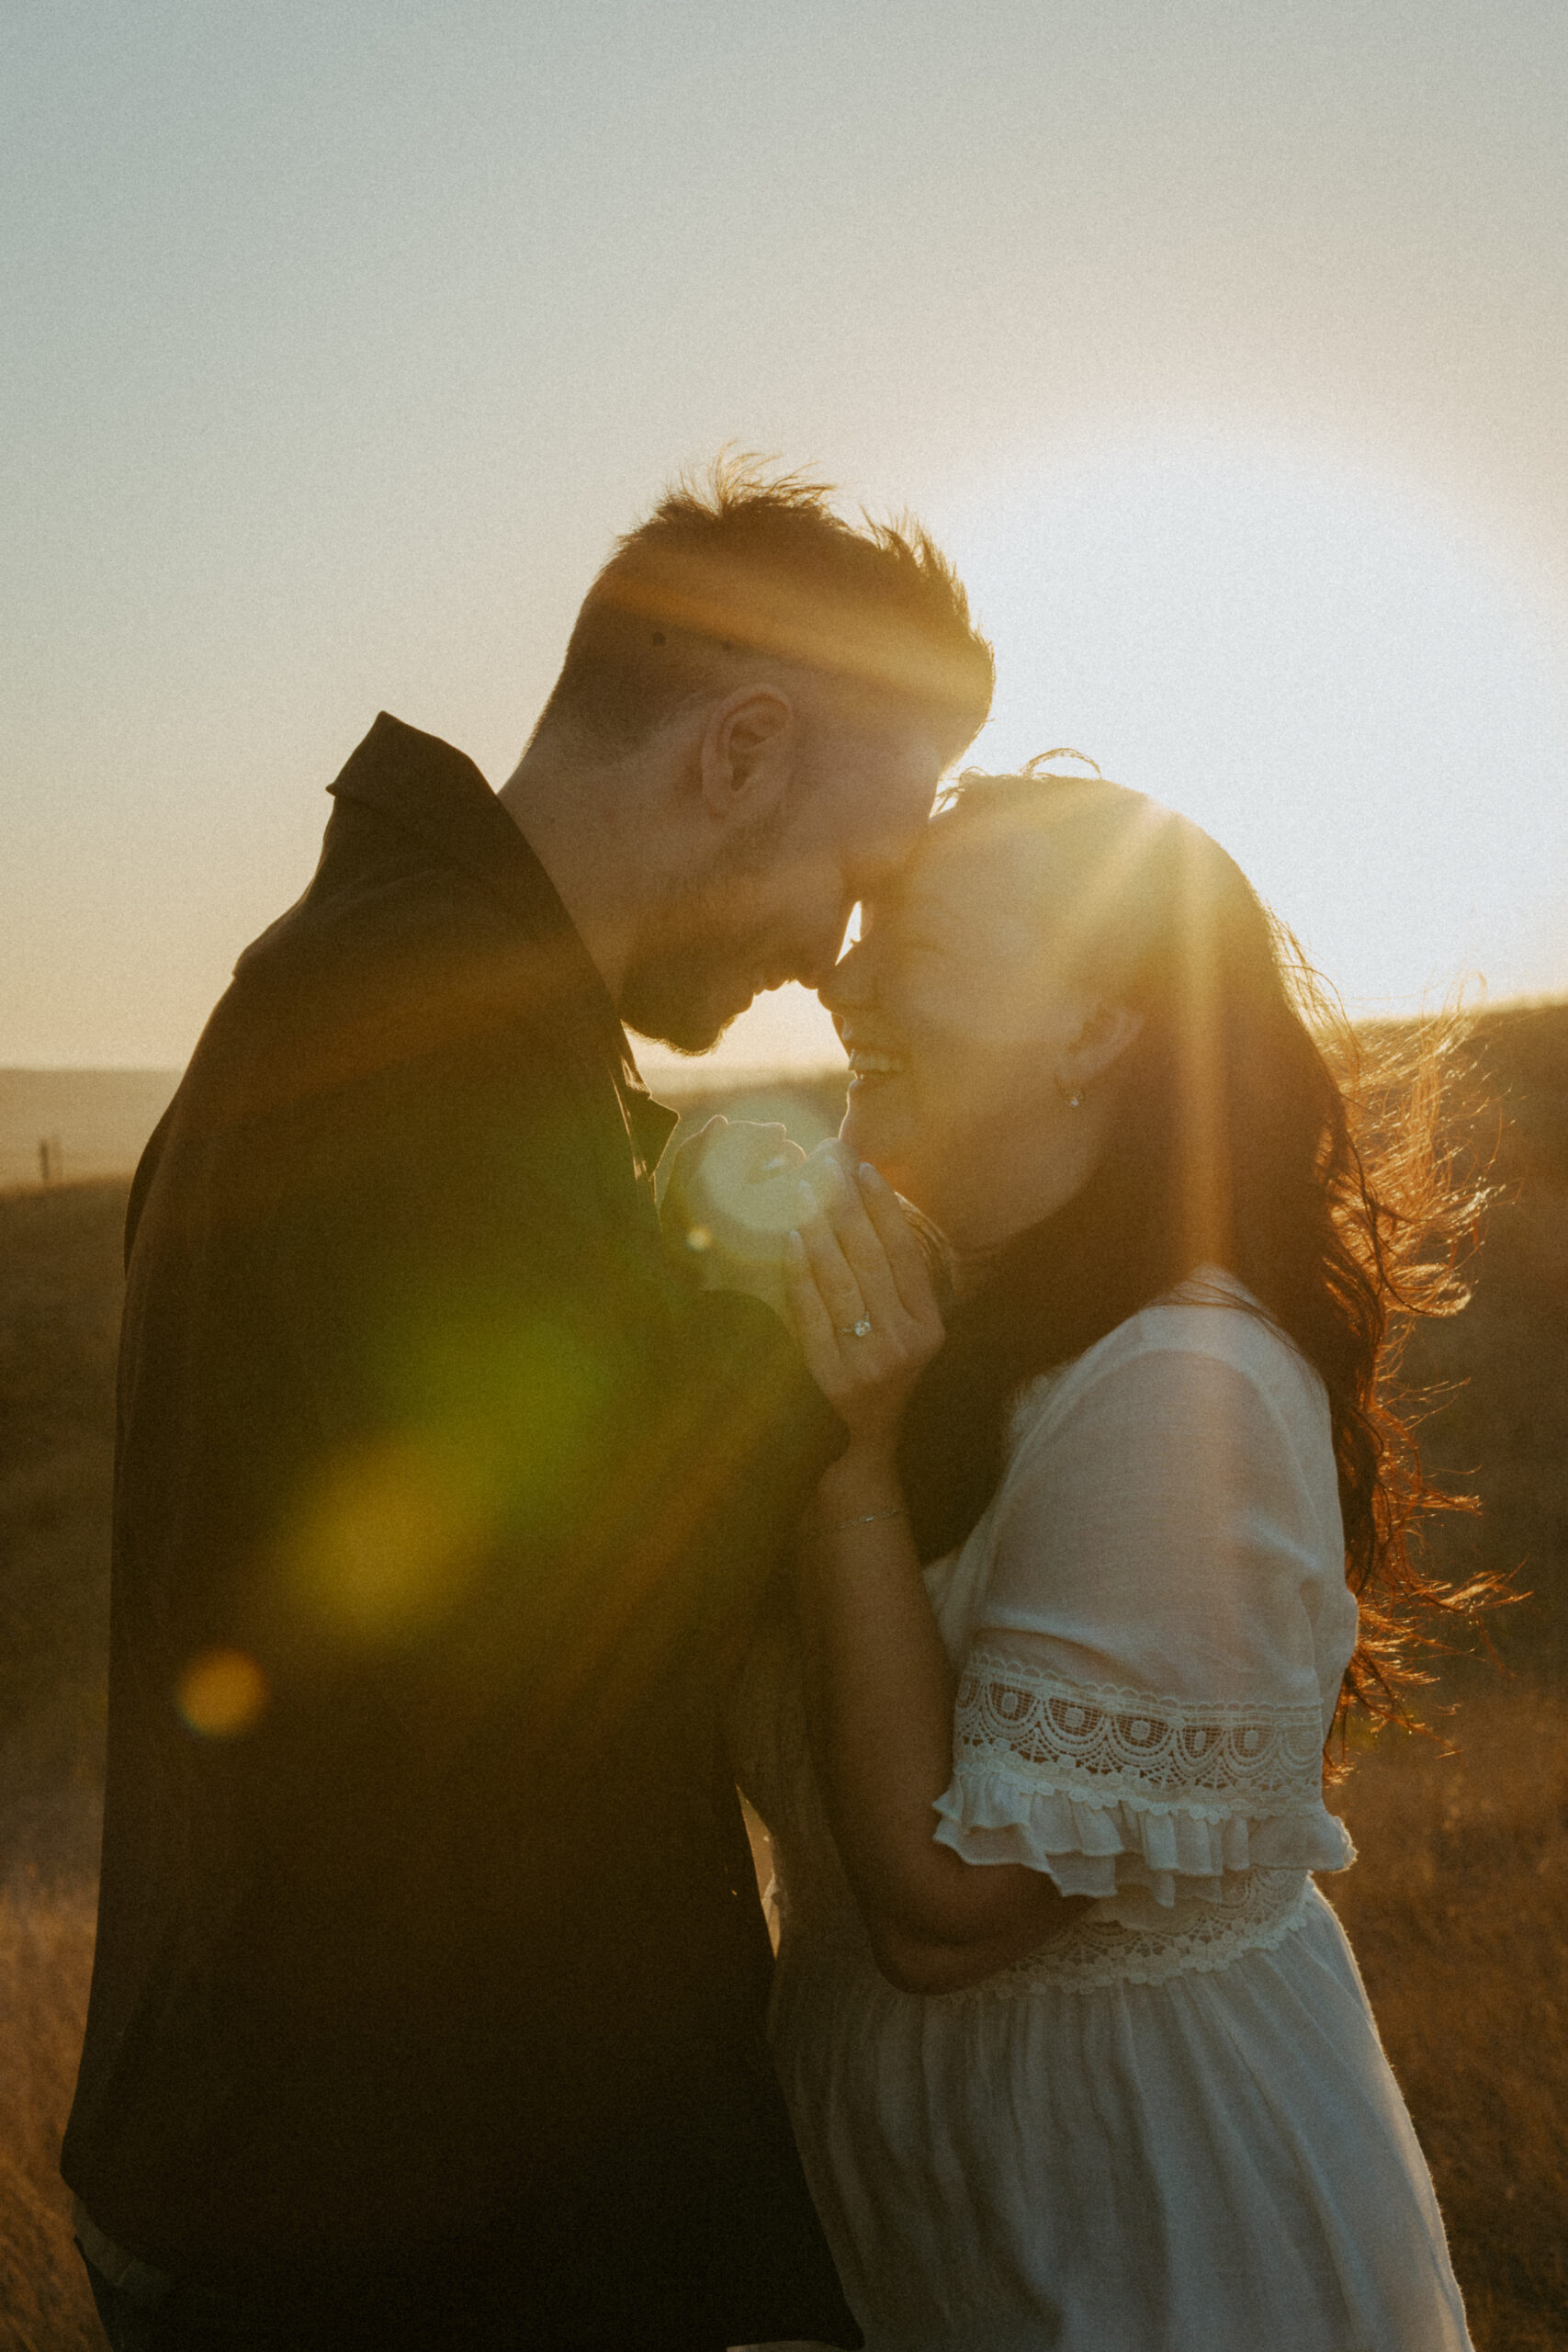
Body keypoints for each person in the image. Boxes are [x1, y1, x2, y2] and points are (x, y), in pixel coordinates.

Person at [62, 461, 995, 2351]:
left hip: (347, 2182)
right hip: (392, 2235)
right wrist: (851, 1366)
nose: (834, 952)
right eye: (857, 872)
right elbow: (552, 1607)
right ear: (739, 749)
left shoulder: (423, 998)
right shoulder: (425, 1044)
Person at [726, 761, 1479, 2350]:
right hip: (949, 2231)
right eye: (866, 930)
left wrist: (845, 1460)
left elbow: (947, 1909)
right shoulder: (936, 1317)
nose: (844, 984)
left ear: (1093, 1029)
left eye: (922, 945)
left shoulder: (1181, 1386)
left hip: (1155, 2235)